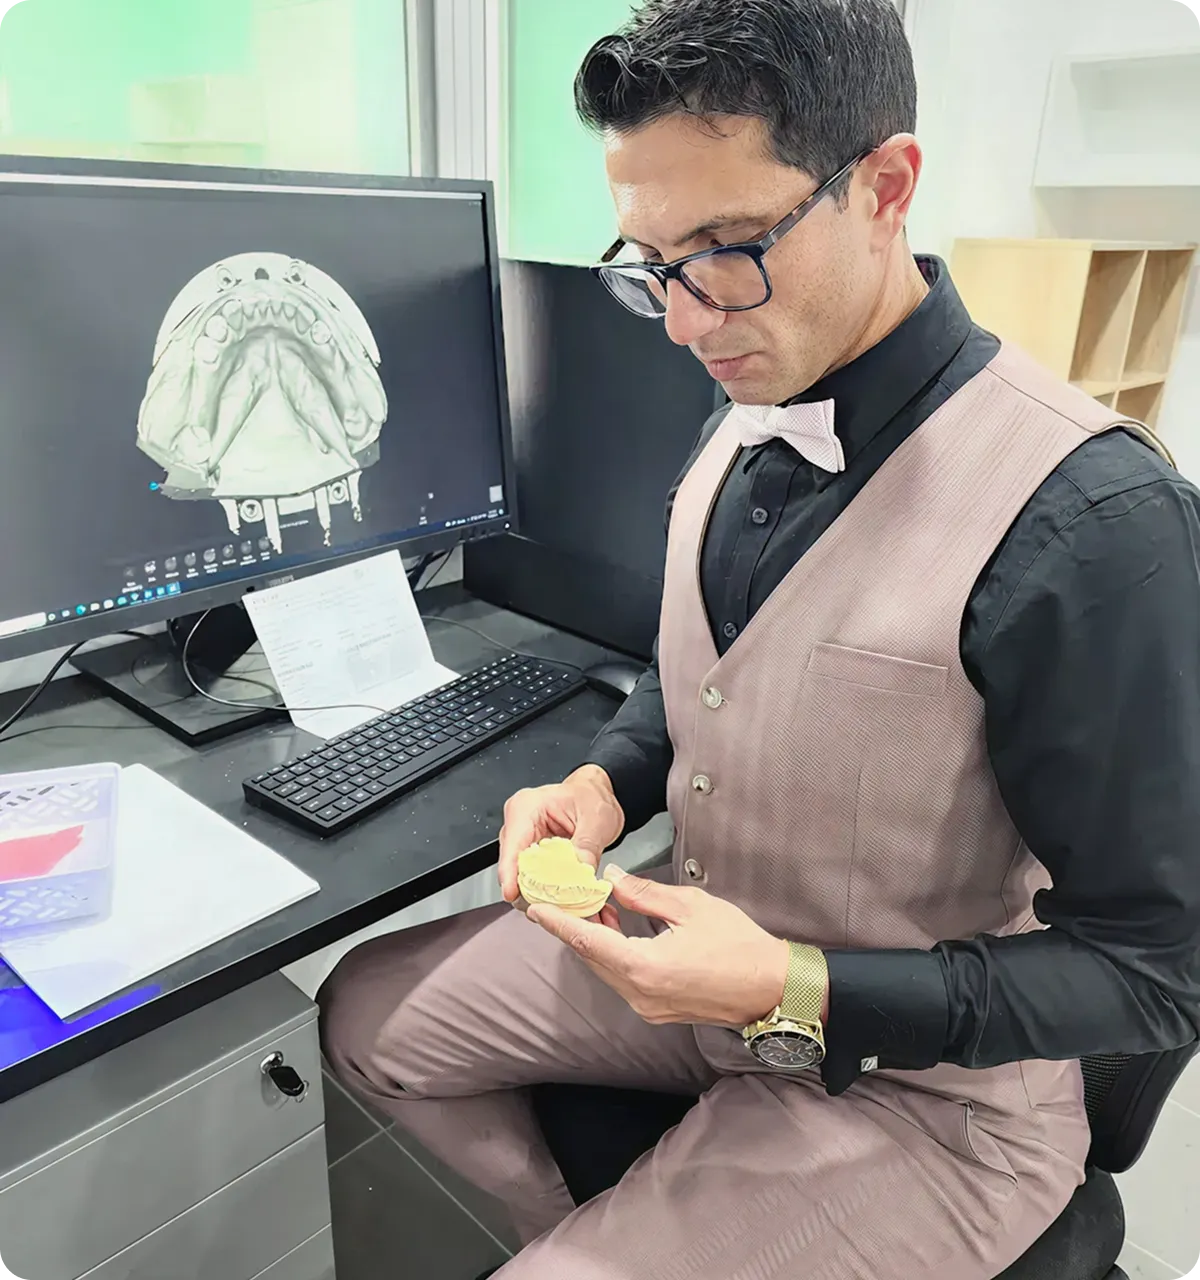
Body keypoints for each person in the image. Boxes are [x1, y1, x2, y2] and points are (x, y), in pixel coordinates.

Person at [319, 1, 1200, 1275]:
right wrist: (602, 782)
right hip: (698, 951)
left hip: (925, 1093)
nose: (683, 321)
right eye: (650, 261)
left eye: (728, 249)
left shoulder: (1093, 521)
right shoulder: (748, 405)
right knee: (366, 1012)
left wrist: (792, 986)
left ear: (885, 188)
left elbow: (1157, 974)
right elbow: (703, 682)